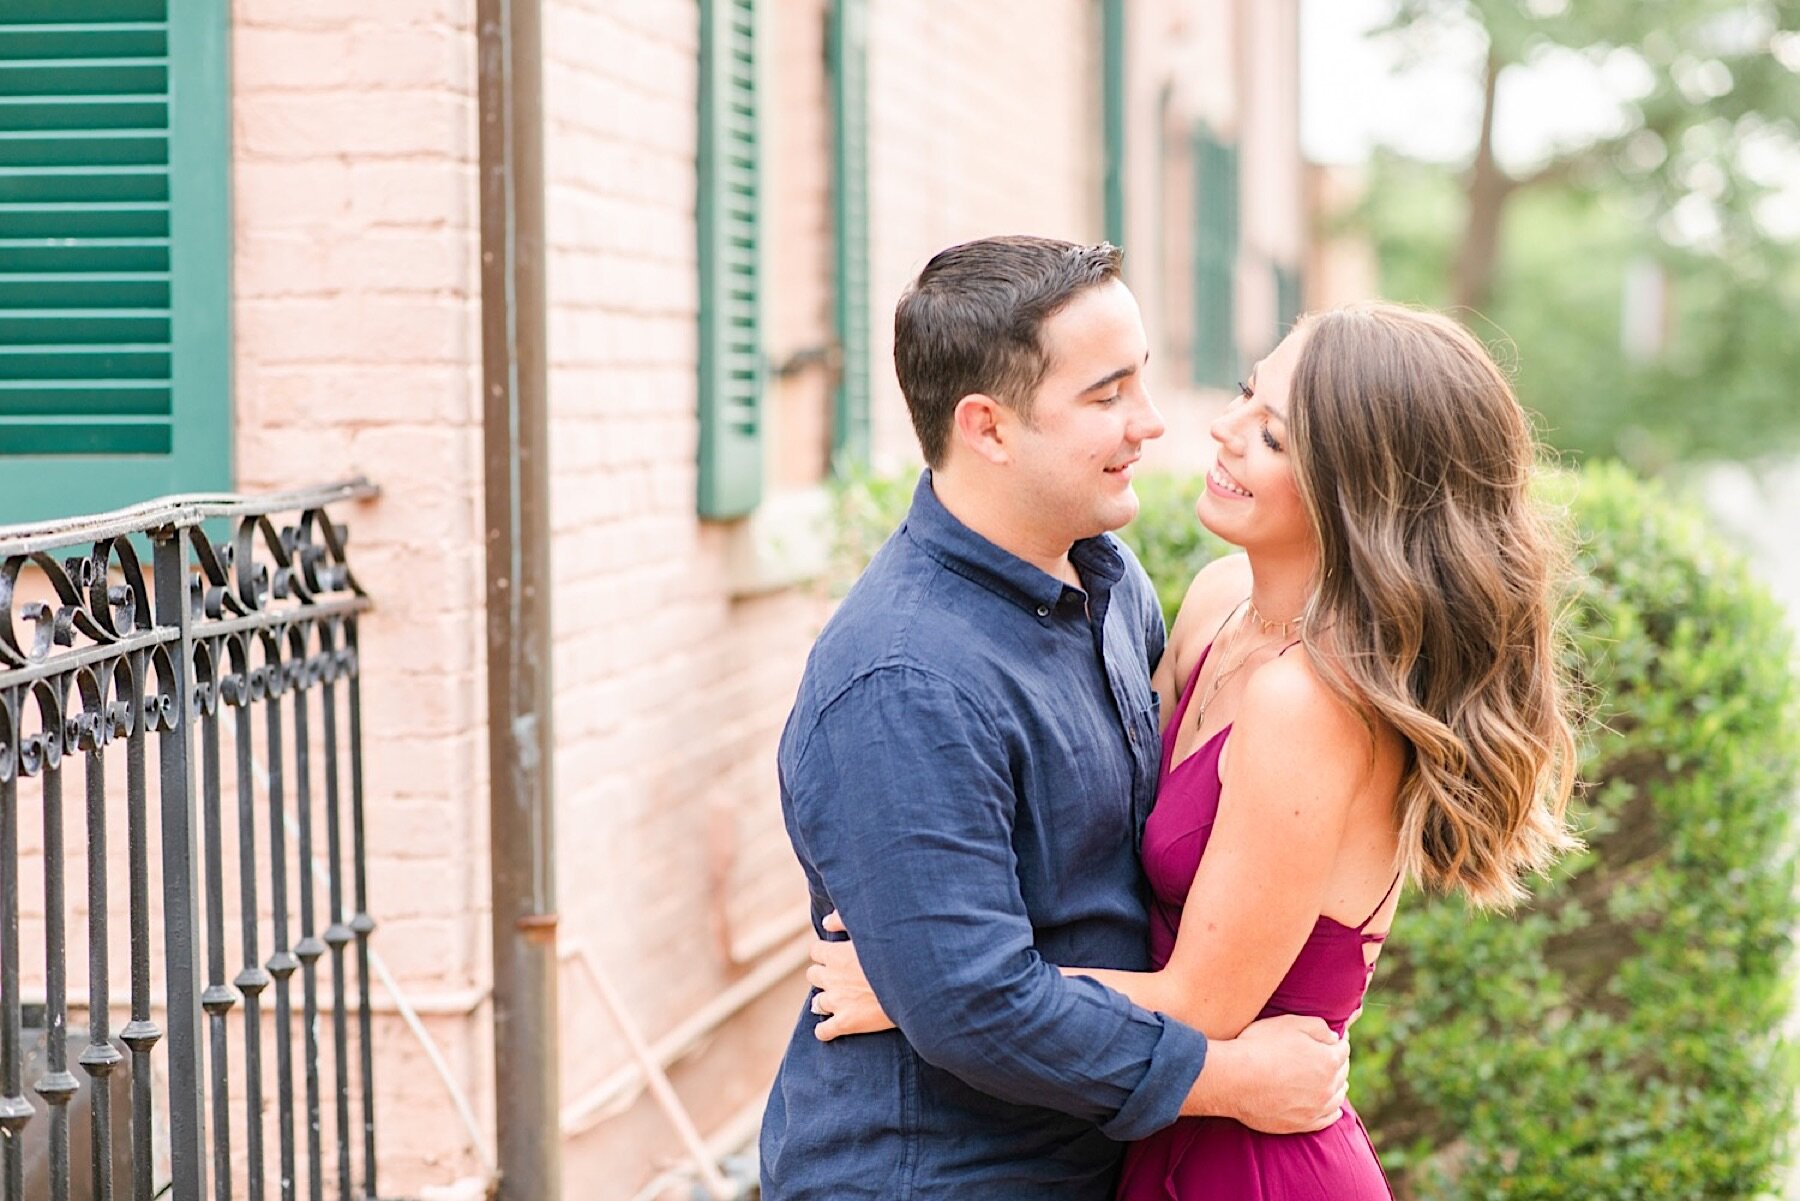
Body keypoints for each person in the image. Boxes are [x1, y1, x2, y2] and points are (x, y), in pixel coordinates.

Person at [807, 301, 1580, 1199]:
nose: (1223, 428)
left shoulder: (1310, 700)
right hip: (1151, 1124)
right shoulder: (1217, 604)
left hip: (1249, 1154)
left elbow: (1202, 1003)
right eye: (1247, 395)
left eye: (1276, 436)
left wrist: (926, 993)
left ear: (1362, 487)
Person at [759, 236, 1352, 1201]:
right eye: (1107, 395)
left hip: (1094, 1161)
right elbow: (979, 1009)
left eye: (1143, 383)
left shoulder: (1113, 590)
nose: (1151, 424)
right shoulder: (904, 679)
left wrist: (923, 992)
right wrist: (1229, 1077)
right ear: (988, 428)